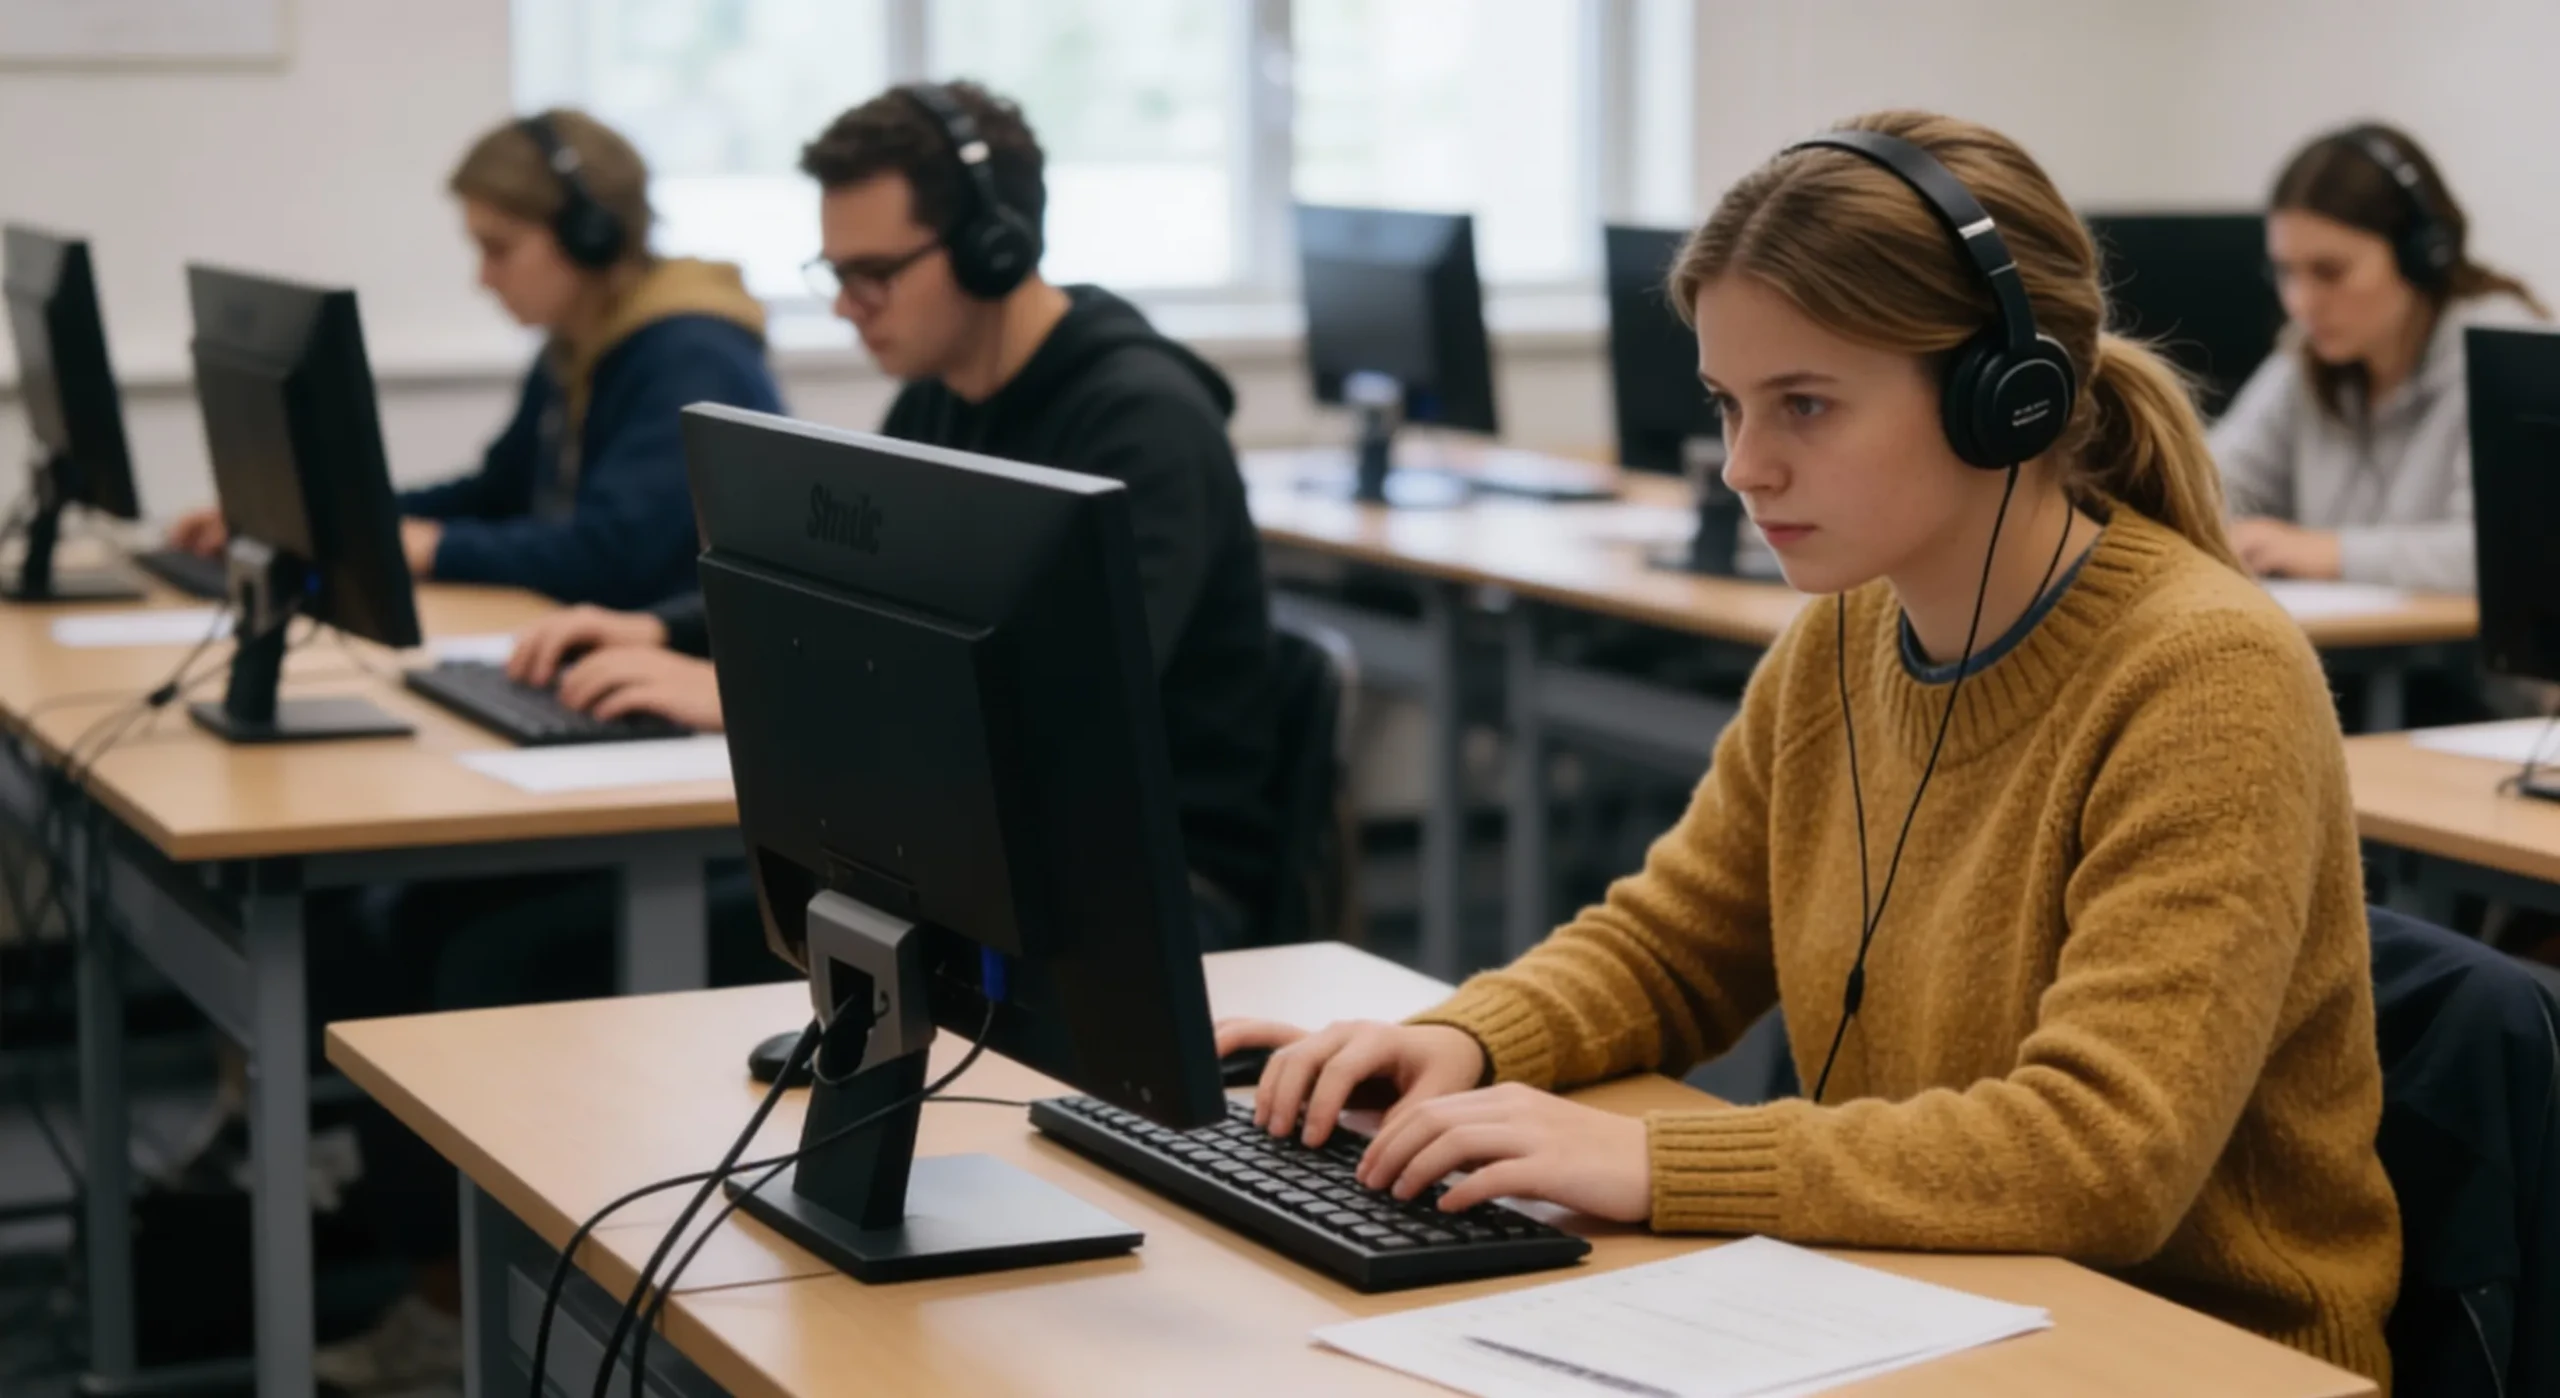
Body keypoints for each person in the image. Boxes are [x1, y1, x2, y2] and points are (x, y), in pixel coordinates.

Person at [1223, 112, 2399, 1388]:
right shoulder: (1844, 637)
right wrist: (1471, 1038)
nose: (1742, 465)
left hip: (2195, 1354)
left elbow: (2101, 1158)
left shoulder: (2206, 677)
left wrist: (1653, 1163)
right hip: (1913, 1305)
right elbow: (1674, 946)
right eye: (1729, 403)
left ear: (2003, 397)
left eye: (1804, 406)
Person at [510, 80, 1283, 944]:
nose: (846, 306)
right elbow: (837, 594)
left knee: (535, 954)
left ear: (995, 246)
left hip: (1132, 881)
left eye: (873, 275)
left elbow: (1057, 704)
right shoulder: (939, 400)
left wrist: (744, 697)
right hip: (971, 848)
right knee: (531, 936)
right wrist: (659, 633)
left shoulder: (1144, 427)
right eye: (836, 275)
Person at [168, 108, 783, 609]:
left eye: (499, 249)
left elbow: (615, 557)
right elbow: (498, 490)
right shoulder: (577, 341)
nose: (483, 279)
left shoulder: (692, 355)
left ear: (587, 236)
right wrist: (324, 521)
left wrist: (432, 547)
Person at [2213, 122, 2545, 594]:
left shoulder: (2505, 353)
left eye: (2329, 271)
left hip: (2464, 664)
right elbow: (2208, 484)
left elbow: (2514, 554)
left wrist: (2326, 553)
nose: (2301, 302)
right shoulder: (2307, 356)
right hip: (2351, 663)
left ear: (2419, 256)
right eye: (2285, 272)